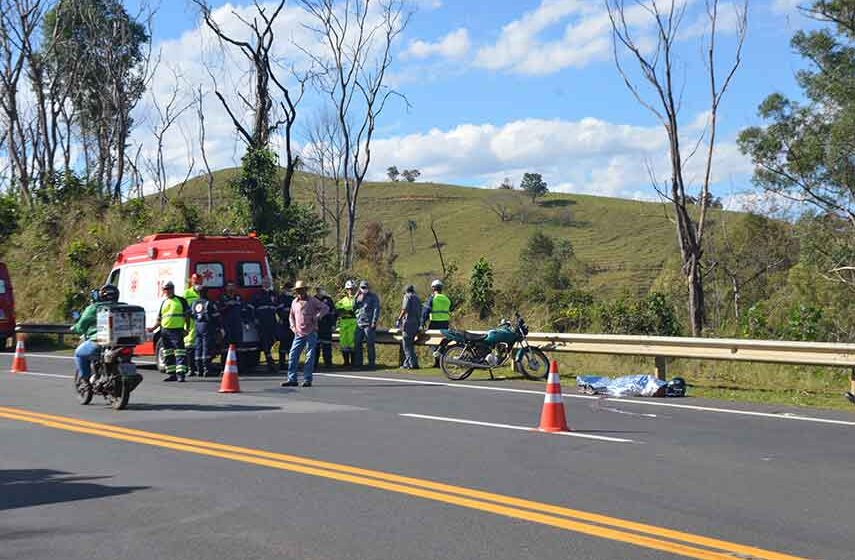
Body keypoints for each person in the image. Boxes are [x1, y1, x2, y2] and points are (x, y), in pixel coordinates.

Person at [71, 284, 120, 386]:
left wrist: (75, 328)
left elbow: (81, 325)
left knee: (79, 354)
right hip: (121, 342)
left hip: (99, 340)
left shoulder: (94, 308)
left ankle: (85, 380)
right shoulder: (122, 306)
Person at [282, 280, 328, 388]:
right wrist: (293, 327)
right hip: (298, 333)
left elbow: (325, 308)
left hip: (311, 332)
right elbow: (291, 316)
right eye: (298, 290)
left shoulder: (312, 300)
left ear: (305, 290)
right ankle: (292, 379)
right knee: (293, 355)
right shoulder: (294, 302)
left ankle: (307, 379)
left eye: (302, 290)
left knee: (309, 356)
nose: (300, 292)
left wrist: (317, 316)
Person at [150, 281, 190, 382]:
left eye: (169, 289)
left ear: (173, 289)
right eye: (165, 289)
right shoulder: (164, 302)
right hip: (165, 331)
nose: (167, 291)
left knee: (180, 352)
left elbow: (187, 316)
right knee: (168, 353)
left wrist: (187, 328)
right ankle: (172, 374)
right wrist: (153, 328)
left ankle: (181, 374)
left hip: (177, 331)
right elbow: (159, 319)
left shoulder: (181, 301)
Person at [250, 278, 279, 372]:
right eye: (265, 282)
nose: (267, 284)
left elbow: (277, 307)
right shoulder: (257, 294)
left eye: (268, 282)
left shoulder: (273, 294)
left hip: (272, 321)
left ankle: (270, 358)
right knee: (265, 340)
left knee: (272, 339)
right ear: (262, 283)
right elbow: (251, 308)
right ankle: (270, 362)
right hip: (262, 321)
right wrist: (255, 319)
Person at [191, 286, 220, 378]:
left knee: (198, 346)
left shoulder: (194, 303)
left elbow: (192, 314)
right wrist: (218, 327)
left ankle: (199, 369)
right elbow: (215, 315)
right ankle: (207, 369)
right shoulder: (209, 303)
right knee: (206, 347)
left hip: (197, 326)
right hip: (207, 326)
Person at [422, 279, 452, 367]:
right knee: (442, 342)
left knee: (432, 341)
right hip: (445, 323)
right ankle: (440, 361)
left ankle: (437, 359)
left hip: (435, 323)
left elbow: (426, 311)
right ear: (441, 288)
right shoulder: (447, 299)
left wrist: (422, 322)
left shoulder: (432, 298)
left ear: (433, 288)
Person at [353, 280, 380, 369]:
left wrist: (374, 321)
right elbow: (353, 308)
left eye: (365, 287)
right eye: (362, 287)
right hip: (359, 323)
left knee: (370, 344)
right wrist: (355, 298)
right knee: (357, 343)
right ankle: (358, 363)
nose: (364, 289)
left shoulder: (373, 297)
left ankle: (371, 363)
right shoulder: (358, 296)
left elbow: (376, 309)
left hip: (368, 323)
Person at [218, 281, 245, 369]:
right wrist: (227, 306)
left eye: (233, 286)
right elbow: (219, 310)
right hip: (226, 325)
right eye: (229, 287)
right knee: (225, 347)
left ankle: (239, 367)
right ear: (226, 288)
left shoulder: (238, 297)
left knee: (239, 346)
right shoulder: (222, 298)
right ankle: (224, 367)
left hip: (237, 324)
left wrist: (246, 321)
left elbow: (244, 309)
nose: (231, 288)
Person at [396, 284, 422, 370]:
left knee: (406, 345)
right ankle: (408, 363)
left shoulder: (407, 297)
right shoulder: (417, 298)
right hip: (416, 323)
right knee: (410, 345)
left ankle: (412, 364)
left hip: (408, 324)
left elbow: (404, 309)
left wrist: (399, 319)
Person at [183, 273, 203, 376]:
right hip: (190, 322)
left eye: (199, 280)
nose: (197, 282)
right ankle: (191, 368)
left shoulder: (203, 293)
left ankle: (199, 368)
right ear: (191, 281)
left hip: (201, 322)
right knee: (189, 345)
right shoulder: (186, 293)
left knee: (200, 346)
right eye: (195, 280)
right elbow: (184, 307)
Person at [335, 280, 357, 367]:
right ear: (346, 290)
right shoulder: (343, 300)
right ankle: (346, 362)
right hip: (344, 323)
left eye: (352, 289)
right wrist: (345, 311)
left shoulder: (356, 299)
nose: (350, 291)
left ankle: (353, 363)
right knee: (344, 343)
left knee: (352, 343)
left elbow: (356, 310)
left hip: (353, 322)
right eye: (348, 289)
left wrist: (347, 311)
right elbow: (337, 308)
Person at [314, 287, 336, 369]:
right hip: (316, 326)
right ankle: (314, 364)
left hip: (326, 325)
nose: (322, 291)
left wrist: (333, 324)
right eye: (320, 289)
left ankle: (328, 363)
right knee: (315, 346)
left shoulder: (328, 300)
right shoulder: (313, 300)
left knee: (327, 345)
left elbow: (333, 313)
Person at [275, 281, 295, 372]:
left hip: (292, 324)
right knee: (283, 343)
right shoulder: (281, 298)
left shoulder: (293, 299)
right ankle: (282, 363)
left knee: (291, 344)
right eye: (288, 289)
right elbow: (278, 310)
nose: (289, 290)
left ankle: (292, 363)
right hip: (283, 323)